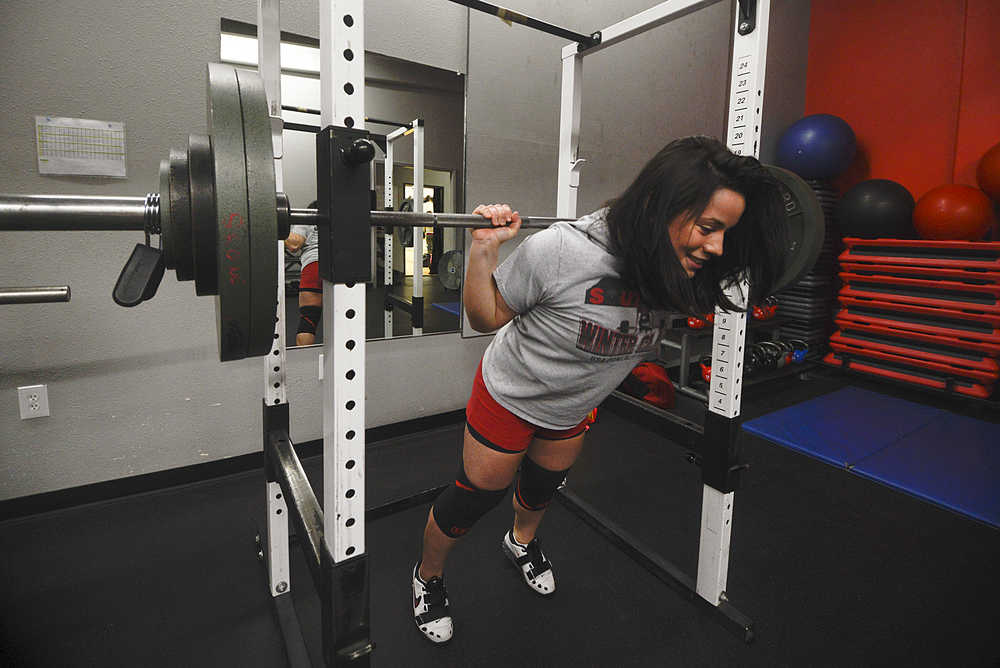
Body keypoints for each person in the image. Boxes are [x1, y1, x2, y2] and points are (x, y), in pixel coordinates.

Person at [410, 135, 788, 644]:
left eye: (726, 233)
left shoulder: (684, 269)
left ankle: (520, 542)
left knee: (543, 488)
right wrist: (483, 249)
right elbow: (485, 318)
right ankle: (427, 577)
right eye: (708, 227)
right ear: (661, 207)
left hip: (575, 405)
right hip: (512, 394)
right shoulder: (561, 250)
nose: (717, 246)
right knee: (475, 497)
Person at [284, 201, 321, 346]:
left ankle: (305, 362)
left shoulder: (307, 217)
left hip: (315, 266)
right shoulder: (342, 218)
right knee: (345, 318)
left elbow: (294, 244)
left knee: (309, 320)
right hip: (341, 266)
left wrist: (278, 227)